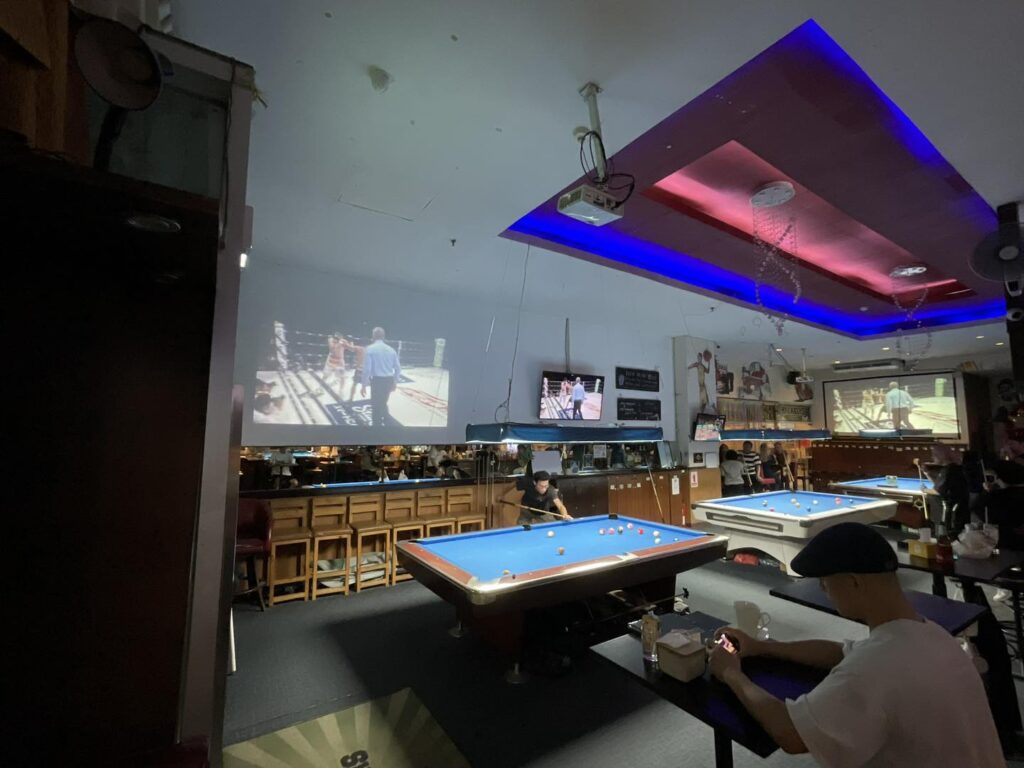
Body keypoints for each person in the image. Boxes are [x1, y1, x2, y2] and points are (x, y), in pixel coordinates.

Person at [708, 523, 1005, 767]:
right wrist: (762, 647)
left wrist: (731, 673)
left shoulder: (874, 668)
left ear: (853, 582)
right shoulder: (930, 634)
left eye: (826, 581)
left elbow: (791, 733)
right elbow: (841, 652)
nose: (823, 589)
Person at [361, 327, 401, 427]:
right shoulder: (391, 350)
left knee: (376, 405)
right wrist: (395, 381)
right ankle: (387, 422)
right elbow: (398, 368)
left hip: (377, 380)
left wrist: (364, 384)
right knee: (383, 402)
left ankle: (377, 428)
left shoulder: (370, 349)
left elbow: (367, 369)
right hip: (388, 380)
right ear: (383, 336)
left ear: (373, 336)